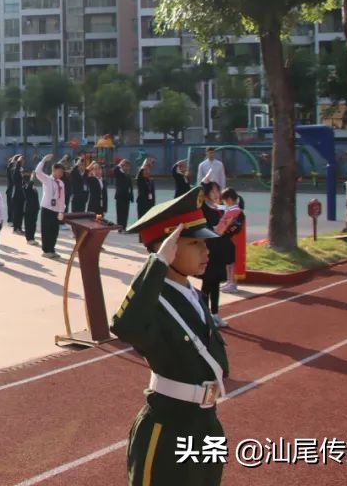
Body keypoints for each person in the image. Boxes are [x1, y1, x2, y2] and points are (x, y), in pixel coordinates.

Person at [111, 187, 228, 486]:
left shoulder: (191, 294)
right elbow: (126, 327)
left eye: (205, 243)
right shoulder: (154, 302)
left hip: (206, 423)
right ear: (169, 248)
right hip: (169, 428)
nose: (206, 251)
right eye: (194, 244)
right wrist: (157, 263)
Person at [199, 183, 240, 328]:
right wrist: (213, 229)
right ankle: (204, 315)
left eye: (217, 190)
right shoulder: (204, 207)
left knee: (216, 282)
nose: (216, 193)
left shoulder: (222, 209)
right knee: (207, 283)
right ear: (207, 193)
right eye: (213, 191)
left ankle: (215, 314)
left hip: (220, 248)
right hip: (209, 248)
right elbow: (203, 226)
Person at [33, 154, 66, 260]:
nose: (61, 174)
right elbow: (37, 172)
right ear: (54, 170)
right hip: (47, 208)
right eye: (59, 171)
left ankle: (52, 249)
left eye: (62, 172)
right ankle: (46, 250)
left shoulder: (61, 183)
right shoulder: (47, 179)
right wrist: (43, 160)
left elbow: (62, 198)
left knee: (54, 231)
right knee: (46, 230)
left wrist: (61, 211)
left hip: (56, 210)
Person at [113, 160, 134, 228]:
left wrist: (131, 197)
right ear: (123, 166)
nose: (127, 168)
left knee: (125, 213)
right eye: (126, 166)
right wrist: (120, 163)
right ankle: (120, 227)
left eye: (128, 167)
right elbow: (115, 169)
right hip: (120, 197)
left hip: (126, 197)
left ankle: (124, 227)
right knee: (120, 213)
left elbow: (130, 187)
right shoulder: (119, 173)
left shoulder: (128, 175)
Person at [22, 174, 39, 246]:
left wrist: (37, 207)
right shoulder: (25, 187)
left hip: (35, 208)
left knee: (33, 224)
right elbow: (30, 185)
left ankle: (32, 238)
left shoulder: (34, 188)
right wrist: (32, 177)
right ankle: (29, 239)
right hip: (28, 209)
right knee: (29, 224)